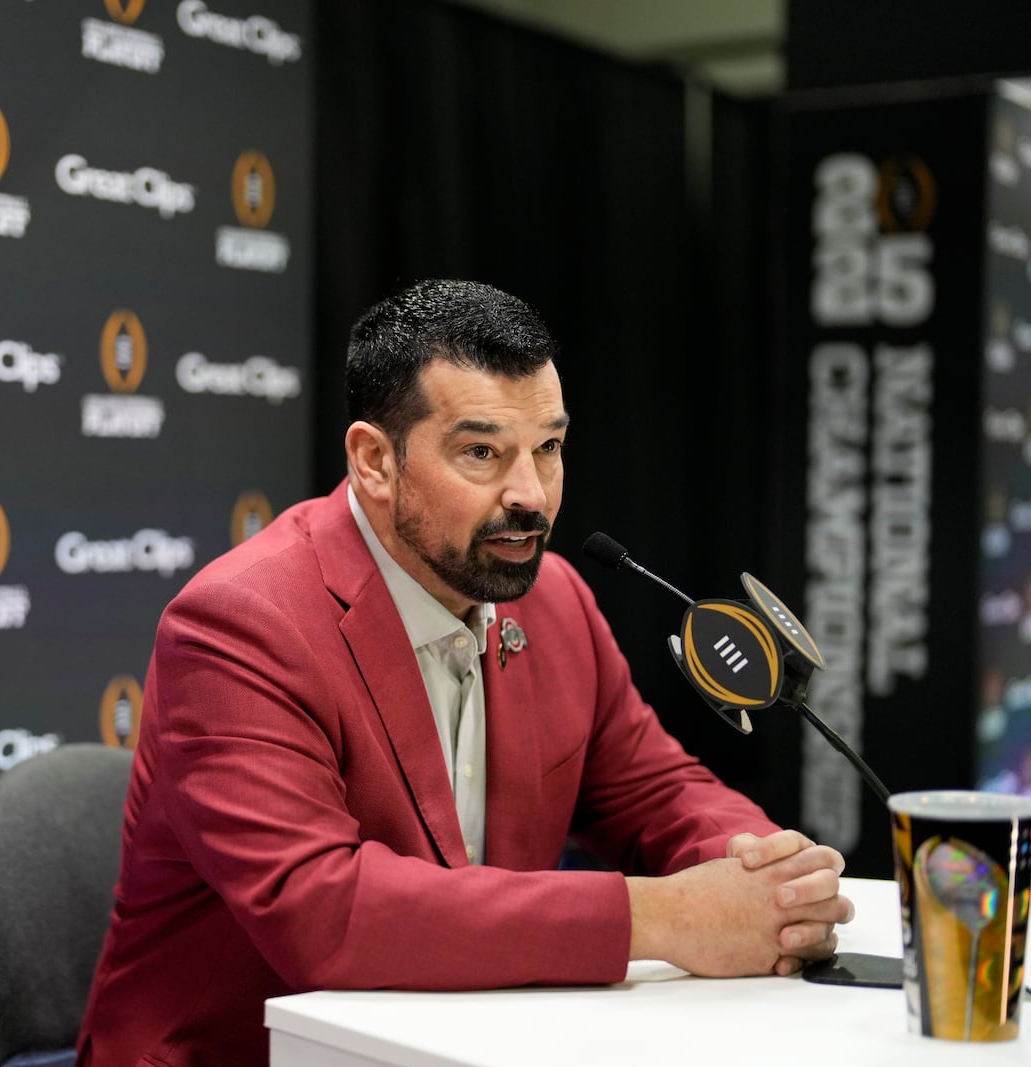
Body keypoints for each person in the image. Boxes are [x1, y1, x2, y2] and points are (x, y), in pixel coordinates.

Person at [76, 280, 852, 1066]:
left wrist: (765, 873)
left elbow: (653, 789)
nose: (531, 497)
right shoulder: (240, 625)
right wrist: (665, 916)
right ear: (375, 460)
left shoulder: (552, 601)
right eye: (481, 452)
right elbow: (325, 911)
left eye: (547, 448)